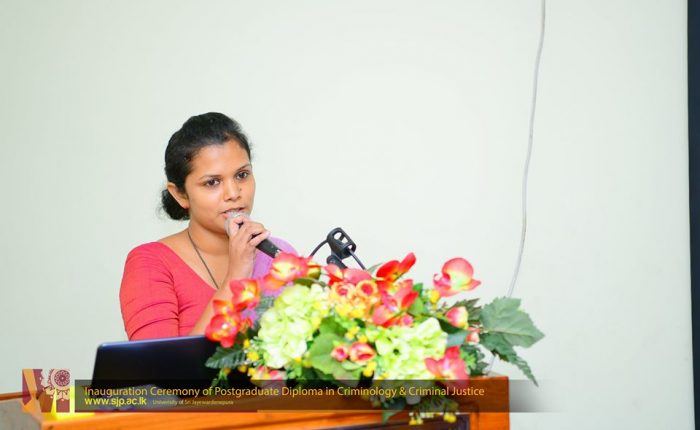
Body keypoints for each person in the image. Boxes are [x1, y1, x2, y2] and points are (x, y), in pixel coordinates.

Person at [119, 112, 296, 340]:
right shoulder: (150, 263)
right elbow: (159, 363)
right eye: (212, 182)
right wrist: (235, 276)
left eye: (242, 175)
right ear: (180, 194)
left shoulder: (279, 255)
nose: (233, 193)